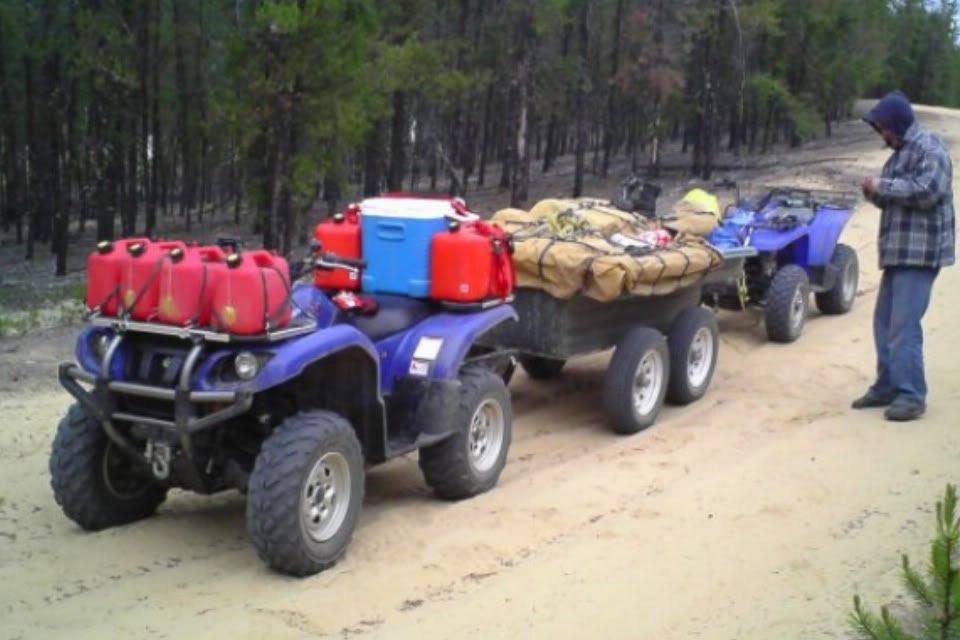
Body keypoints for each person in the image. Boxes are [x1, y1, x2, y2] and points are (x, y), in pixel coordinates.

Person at [856, 91, 956, 421]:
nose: (881, 134)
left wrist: (883, 186)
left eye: (882, 127)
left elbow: (928, 191)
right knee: (883, 323)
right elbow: (893, 198)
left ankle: (911, 394)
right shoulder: (899, 154)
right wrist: (873, 193)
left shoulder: (930, 148)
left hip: (920, 253)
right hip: (899, 253)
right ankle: (887, 386)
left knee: (903, 326)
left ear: (896, 123)